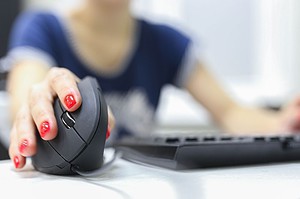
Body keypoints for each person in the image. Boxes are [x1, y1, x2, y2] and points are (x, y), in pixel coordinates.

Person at [3, 0, 300, 169]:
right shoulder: (41, 27)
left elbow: (231, 113)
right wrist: (40, 104)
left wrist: (285, 121)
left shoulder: (166, 42)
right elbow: (27, 96)